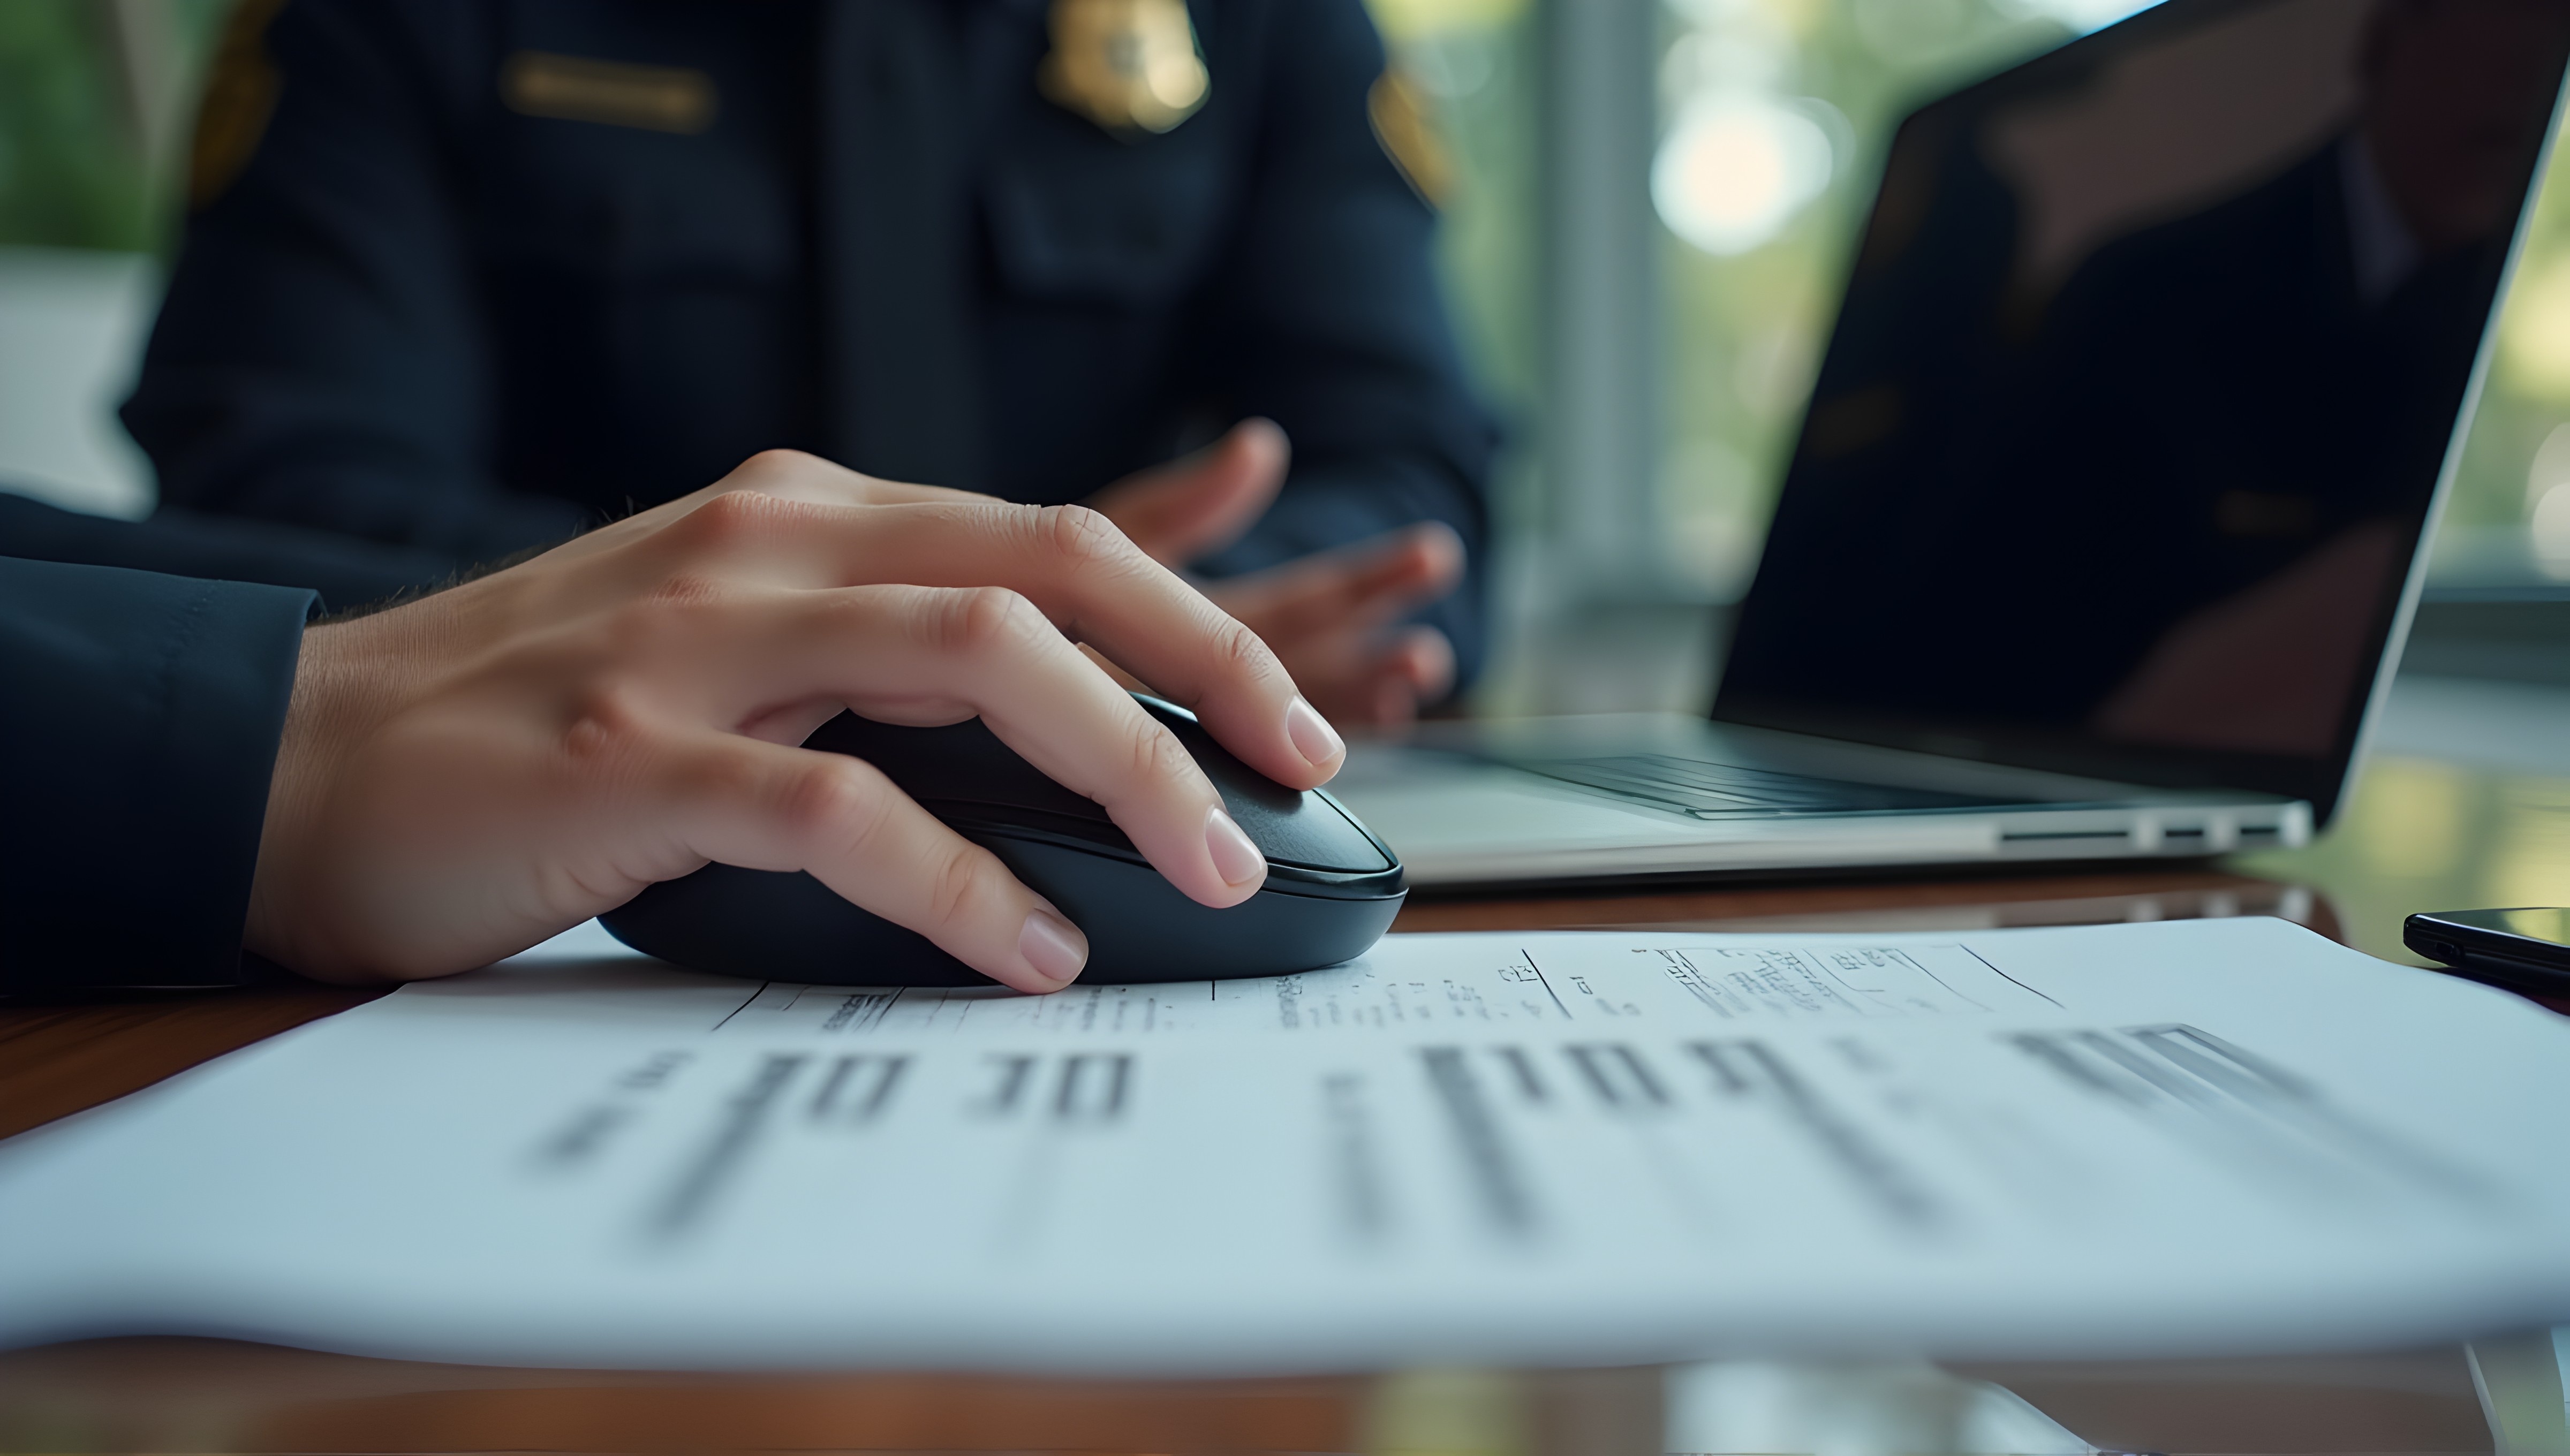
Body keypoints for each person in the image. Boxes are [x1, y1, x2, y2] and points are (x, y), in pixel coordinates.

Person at [121, 0, 1496, 727]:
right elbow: (274, 483)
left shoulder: (1265, 22)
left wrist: (1169, 628)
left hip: (1156, 779)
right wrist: (773, 634)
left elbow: (1410, 457)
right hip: (554, 853)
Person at [2, 450, 1344, 996]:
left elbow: (1404, 439)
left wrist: (1195, 614)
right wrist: (293, 721)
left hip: (1137, 675)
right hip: (604, 732)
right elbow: (275, 449)